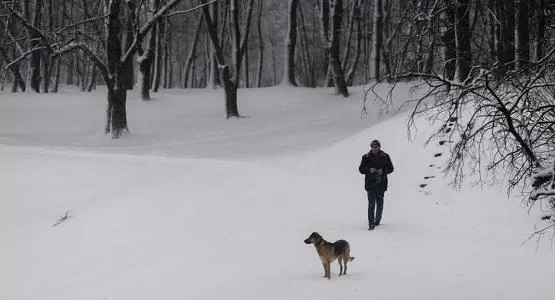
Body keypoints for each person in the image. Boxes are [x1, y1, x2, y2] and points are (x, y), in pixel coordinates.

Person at [358, 140, 394, 230]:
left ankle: (377, 221)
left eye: (376, 146)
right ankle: (371, 223)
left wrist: (383, 170)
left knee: (380, 203)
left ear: (379, 147)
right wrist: (369, 170)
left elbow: (391, 168)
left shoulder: (385, 156)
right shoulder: (366, 157)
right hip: (370, 184)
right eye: (373, 147)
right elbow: (361, 169)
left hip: (381, 183)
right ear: (371, 147)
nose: (375, 148)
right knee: (371, 204)